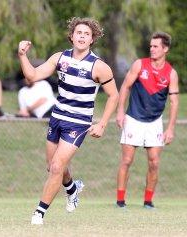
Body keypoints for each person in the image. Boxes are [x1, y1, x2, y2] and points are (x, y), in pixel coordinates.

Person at [18, 17, 119, 225]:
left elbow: (114, 96)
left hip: (78, 122)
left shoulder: (99, 67)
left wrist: (102, 124)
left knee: (56, 167)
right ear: (72, 36)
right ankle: (72, 189)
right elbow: (33, 76)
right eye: (78, 33)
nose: (82, 36)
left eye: (86, 34)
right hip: (57, 118)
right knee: (52, 167)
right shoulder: (60, 58)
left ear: (92, 39)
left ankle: (39, 213)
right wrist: (22, 55)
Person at [116, 32, 179, 209]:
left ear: (165, 49)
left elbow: (174, 102)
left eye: (156, 46)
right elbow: (125, 87)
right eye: (150, 46)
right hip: (133, 118)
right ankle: (120, 201)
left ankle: (148, 201)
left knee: (154, 162)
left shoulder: (171, 74)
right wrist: (120, 112)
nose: (151, 49)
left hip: (154, 122)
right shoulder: (139, 65)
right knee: (127, 160)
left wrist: (170, 128)